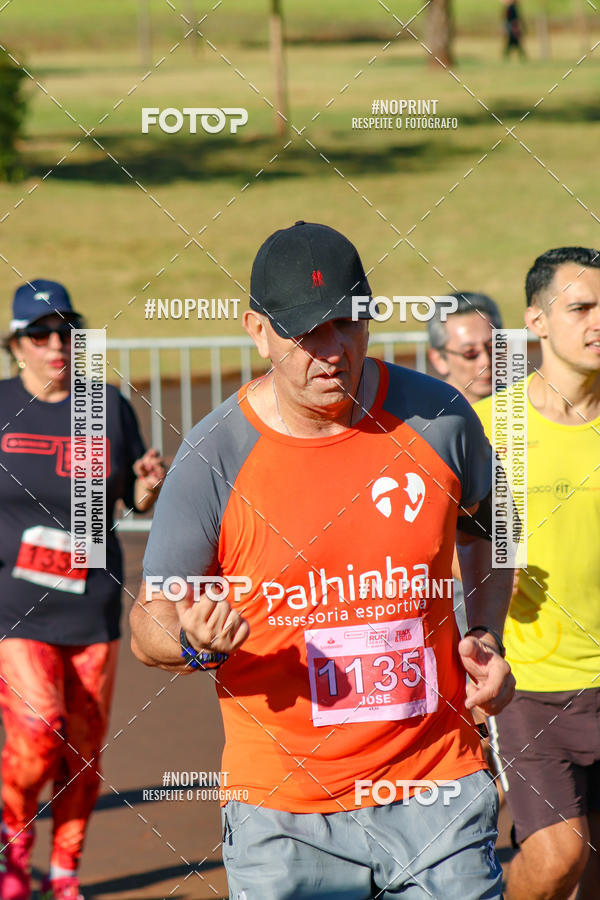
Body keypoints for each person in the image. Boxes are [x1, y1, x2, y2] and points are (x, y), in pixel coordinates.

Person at [130, 221, 515, 899]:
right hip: (284, 811)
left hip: (435, 785)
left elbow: (491, 529)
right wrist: (192, 640)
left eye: (347, 323)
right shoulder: (214, 455)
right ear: (258, 332)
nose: (333, 351)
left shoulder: (442, 418)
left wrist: (485, 630)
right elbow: (149, 623)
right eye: (306, 332)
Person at [0, 280, 166, 900]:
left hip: (91, 604)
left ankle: (66, 870)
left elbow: (133, 499)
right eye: (40, 334)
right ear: (16, 345)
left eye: (66, 331)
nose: (56, 345)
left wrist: (148, 487)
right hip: (15, 606)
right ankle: (13, 851)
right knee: (37, 732)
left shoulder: (108, 407)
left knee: (82, 752)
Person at [473, 247, 600, 900]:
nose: (598, 322)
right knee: (556, 857)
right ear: (537, 321)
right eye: (581, 308)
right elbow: (436, 549)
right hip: (529, 686)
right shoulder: (492, 428)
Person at [427, 290, 503, 408]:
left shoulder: (522, 407)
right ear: (439, 359)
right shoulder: (425, 414)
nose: (486, 362)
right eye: (470, 353)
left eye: (493, 348)